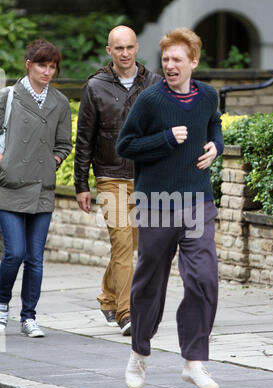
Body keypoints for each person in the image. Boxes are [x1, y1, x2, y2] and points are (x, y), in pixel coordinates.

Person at [117, 28, 224, 388]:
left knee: (204, 278)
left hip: (197, 202)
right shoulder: (150, 100)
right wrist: (164, 139)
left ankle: (194, 360)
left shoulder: (208, 96)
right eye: (166, 60)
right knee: (150, 281)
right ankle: (139, 355)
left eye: (178, 59)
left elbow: (214, 126)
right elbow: (126, 145)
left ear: (193, 61)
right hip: (157, 204)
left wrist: (215, 148)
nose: (170, 65)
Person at [74, 26, 161, 336]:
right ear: (109, 51)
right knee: (122, 244)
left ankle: (108, 297)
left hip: (145, 177)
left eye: (129, 47)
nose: (125, 53)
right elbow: (84, 139)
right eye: (118, 48)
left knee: (132, 244)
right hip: (110, 176)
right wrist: (81, 184)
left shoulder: (153, 83)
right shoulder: (95, 87)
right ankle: (127, 313)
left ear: (136, 48)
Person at [0, 40, 72, 337]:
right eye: (42, 65)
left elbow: (64, 144)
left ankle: (29, 315)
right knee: (14, 253)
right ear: (28, 64)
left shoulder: (60, 102)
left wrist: (52, 160)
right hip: (9, 184)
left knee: (35, 258)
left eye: (52, 66)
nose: (47, 71)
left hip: (42, 187)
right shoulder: (7, 96)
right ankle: (2, 306)